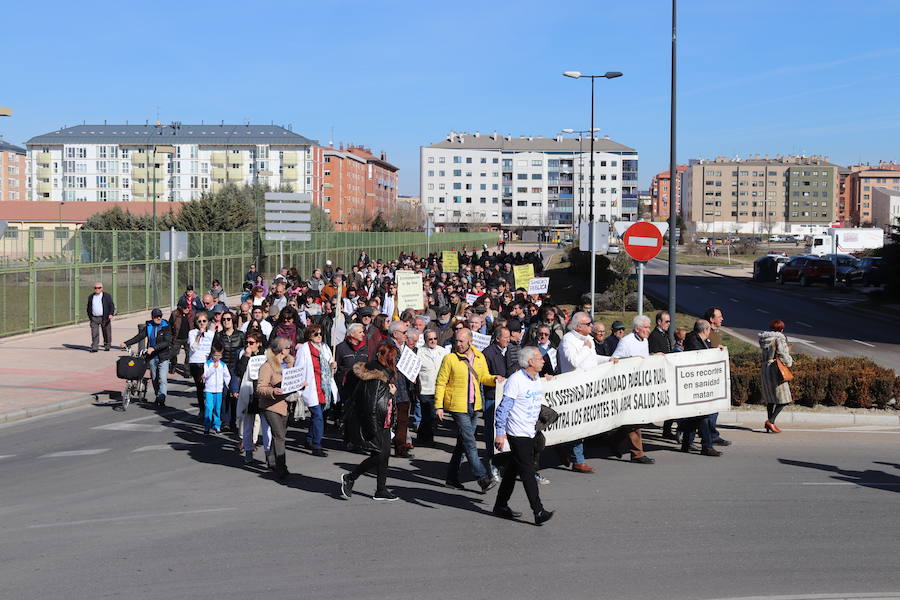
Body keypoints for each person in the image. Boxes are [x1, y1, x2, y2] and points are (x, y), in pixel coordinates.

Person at [434, 327, 502, 493]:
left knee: (462, 444)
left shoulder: (479, 356)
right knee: (470, 442)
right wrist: (439, 406)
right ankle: (482, 478)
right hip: (458, 406)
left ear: (470, 341)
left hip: (474, 405)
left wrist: (495, 379)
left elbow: (484, 377)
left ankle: (451, 478)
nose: (458, 344)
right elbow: (441, 382)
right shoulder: (450, 358)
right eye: (456, 341)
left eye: (461, 341)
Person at [492, 346, 555, 526]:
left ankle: (500, 505)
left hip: (531, 431)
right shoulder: (515, 381)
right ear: (530, 362)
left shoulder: (536, 379)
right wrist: (500, 434)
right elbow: (503, 410)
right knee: (528, 471)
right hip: (517, 433)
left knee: (513, 469)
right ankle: (538, 511)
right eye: (539, 358)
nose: (543, 360)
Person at [558, 312, 617, 473]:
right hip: (573, 388)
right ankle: (578, 460)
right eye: (588, 323)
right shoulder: (568, 340)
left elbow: (593, 358)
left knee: (581, 424)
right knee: (576, 424)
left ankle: (565, 449)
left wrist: (608, 359)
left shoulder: (588, 339)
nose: (591, 326)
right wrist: (585, 348)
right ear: (578, 326)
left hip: (589, 387)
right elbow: (574, 362)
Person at [340, 343, 400, 502]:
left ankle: (381, 489)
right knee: (380, 456)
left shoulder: (380, 373)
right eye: (394, 358)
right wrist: (391, 394)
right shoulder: (378, 378)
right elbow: (372, 406)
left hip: (383, 422)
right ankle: (350, 477)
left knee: (384, 456)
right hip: (377, 423)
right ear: (388, 359)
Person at [609, 315, 656, 465]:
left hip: (641, 386)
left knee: (635, 421)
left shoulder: (645, 340)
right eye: (646, 327)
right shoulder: (626, 341)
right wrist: (631, 360)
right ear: (637, 328)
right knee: (634, 421)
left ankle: (614, 440)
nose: (649, 330)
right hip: (628, 387)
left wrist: (655, 357)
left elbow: (644, 359)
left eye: (649, 327)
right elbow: (615, 359)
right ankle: (637, 453)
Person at [257, 337, 301, 481]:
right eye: (289, 348)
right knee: (280, 436)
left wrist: (301, 384)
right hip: (271, 406)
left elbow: (292, 382)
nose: (290, 350)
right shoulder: (267, 366)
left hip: (285, 405)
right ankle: (282, 468)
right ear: (282, 350)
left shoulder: (289, 364)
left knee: (279, 435)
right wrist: (272, 391)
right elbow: (260, 388)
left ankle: (272, 461)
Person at [678, 319, 722, 456]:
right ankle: (707, 446)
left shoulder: (700, 340)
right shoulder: (693, 341)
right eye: (709, 329)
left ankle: (686, 443)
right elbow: (700, 357)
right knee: (702, 416)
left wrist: (716, 350)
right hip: (695, 385)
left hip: (699, 384)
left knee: (695, 416)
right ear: (705, 330)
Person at [296, 324, 335, 457]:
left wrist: (332, 365)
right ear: (309, 335)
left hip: (324, 387)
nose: (319, 337)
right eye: (315, 334)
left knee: (318, 415)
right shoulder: (304, 349)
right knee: (318, 415)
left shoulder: (325, 347)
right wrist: (300, 383)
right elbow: (299, 367)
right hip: (311, 386)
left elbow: (330, 361)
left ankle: (309, 439)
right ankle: (317, 445)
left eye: (320, 334)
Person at [121, 308, 171, 407]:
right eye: (156, 316)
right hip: (152, 357)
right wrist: (126, 343)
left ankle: (162, 396)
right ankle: (158, 395)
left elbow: (167, 342)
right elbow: (139, 337)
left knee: (162, 378)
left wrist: (154, 348)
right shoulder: (149, 326)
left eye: (160, 316)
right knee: (154, 378)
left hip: (163, 356)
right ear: (152, 317)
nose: (158, 318)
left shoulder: (166, 326)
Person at [235, 332, 270, 465]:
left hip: (262, 393)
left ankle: (268, 454)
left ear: (258, 344)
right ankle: (248, 450)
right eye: (247, 343)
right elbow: (239, 371)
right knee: (247, 425)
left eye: (251, 343)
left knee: (266, 426)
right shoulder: (243, 354)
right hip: (249, 394)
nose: (248, 345)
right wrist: (246, 356)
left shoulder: (266, 355)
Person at [759, 319, 793, 434]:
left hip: (765, 369)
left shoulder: (764, 339)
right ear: (781, 329)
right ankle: (771, 421)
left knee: (770, 398)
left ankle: (770, 424)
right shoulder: (780, 339)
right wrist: (789, 362)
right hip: (775, 370)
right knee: (784, 399)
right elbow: (783, 354)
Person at [214, 310, 245, 432]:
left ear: (233, 321)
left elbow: (244, 352)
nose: (226, 321)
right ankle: (225, 421)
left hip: (236, 368)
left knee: (235, 395)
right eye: (224, 319)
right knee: (224, 394)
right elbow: (214, 351)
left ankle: (234, 420)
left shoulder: (241, 335)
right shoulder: (218, 335)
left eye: (228, 319)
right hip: (223, 368)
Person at [417, 328, 449, 446]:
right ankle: (427, 439)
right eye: (430, 339)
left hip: (439, 389)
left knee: (432, 416)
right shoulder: (419, 352)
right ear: (425, 340)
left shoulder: (443, 352)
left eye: (435, 338)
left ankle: (422, 436)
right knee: (428, 415)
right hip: (425, 389)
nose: (433, 341)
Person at [188, 312, 215, 417]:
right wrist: (199, 334)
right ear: (196, 323)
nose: (202, 323)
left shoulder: (211, 334)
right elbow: (193, 347)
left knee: (209, 387)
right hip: (196, 362)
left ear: (207, 322)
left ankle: (210, 409)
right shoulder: (192, 333)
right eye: (199, 321)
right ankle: (202, 409)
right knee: (200, 387)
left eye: (204, 321)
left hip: (207, 362)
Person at [202, 342, 231, 435]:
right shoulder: (207, 364)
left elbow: (227, 376)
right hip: (209, 390)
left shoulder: (223, 365)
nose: (217, 358)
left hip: (219, 390)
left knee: (217, 409)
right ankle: (207, 426)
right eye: (215, 355)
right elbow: (205, 375)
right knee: (209, 407)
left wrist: (228, 385)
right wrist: (213, 368)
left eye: (219, 355)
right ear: (212, 354)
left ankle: (217, 426)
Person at [86, 281, 115, 352]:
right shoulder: (91, 296)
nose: (97, 289)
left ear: (102, 288)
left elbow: (111, 305)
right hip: (94, 318)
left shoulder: (106, 296)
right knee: (94, 333)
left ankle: (107, 345)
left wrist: (111, 314)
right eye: (95, 288)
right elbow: (88, 307)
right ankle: (95, 347)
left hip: (104, 317)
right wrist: (90, 317)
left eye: (99, 288)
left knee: (106, 332)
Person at [168, 299, 193, 375]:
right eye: (185, 308)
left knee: (189, 354)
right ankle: (173, 365)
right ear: (180, 307)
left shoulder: (192, 314)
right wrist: (171, 336)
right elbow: (170, 325)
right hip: (177, 338)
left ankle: (187, 371)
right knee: (173, 354)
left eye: (188, 307)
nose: (187, 309)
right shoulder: (174, 314)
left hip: (188, 338)